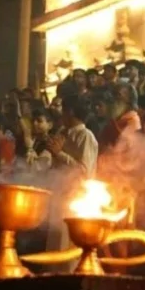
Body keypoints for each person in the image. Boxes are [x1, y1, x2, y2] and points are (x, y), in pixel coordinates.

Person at [45, 93, 99, 251]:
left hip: (75, 199)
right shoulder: (63, 133)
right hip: (59, 196)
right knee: (55, 247)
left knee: (68, 248)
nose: (61, 114)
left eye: (63, 110)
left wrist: (59, 154)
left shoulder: (85, 136)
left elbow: (84, 172)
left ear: (70, 112)